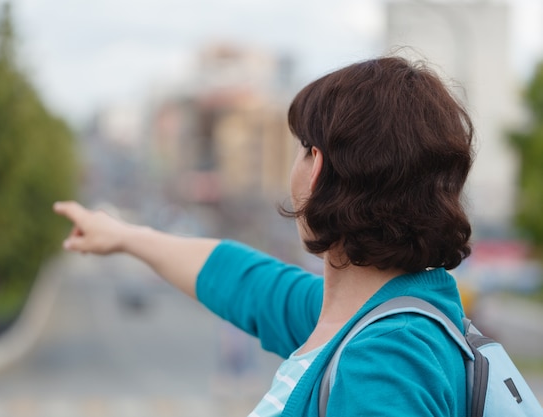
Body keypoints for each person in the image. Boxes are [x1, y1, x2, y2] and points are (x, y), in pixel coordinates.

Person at [53, 55, 474, 416]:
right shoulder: (363, 320)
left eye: (300, 147)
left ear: (317, 166)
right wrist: (125, 237)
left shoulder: (383, 362)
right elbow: (244, 282)